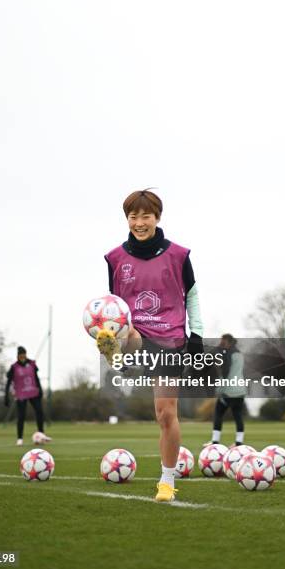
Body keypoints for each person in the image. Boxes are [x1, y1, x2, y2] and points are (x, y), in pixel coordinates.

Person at [97, 189, 204, 502]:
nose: (139, 222)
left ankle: (167, 481)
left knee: (165, 414)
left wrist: (196, 335)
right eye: (133, 216)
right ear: (127, 219)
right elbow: (115, 303)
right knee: (128, 334)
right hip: (135, 329)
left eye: (146, 216)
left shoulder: (179, 255)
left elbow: (193, 296)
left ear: (157, 218)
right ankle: (117, 353)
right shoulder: (115, 258)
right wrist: (110, 327)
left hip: (170, 337)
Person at [203, 334, 247, 446]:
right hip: (240, 390)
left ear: (227, 342)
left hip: (228, 391)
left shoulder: (227, 354)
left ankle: (215, 441)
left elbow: (225, 373)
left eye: (222, 342)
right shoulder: (239, 354)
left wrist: (219, 390)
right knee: (238, 415)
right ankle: (239, 442)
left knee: (218, 412)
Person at [5, 346, 52, 446]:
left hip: (33, 392)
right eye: (20, 355)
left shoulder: (31, 364)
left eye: (24, 354)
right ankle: (20, 438)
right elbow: (8, 381)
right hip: (21, 394)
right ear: (18, 356)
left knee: (39, 411)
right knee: (21, 416)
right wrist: (6, 396)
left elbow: (36, 377)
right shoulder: (14, 367)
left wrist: (40, 390)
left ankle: (41, 434)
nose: (22, 356)